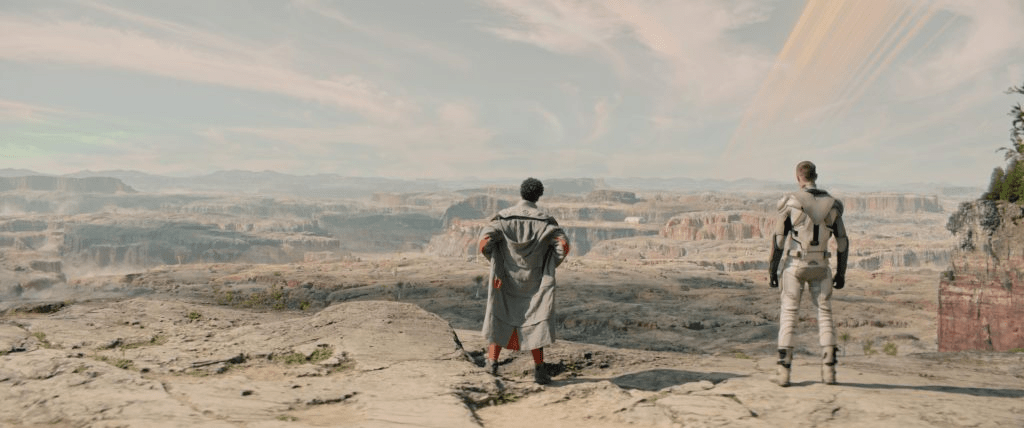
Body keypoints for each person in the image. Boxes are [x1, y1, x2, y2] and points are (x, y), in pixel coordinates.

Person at [478, 177, 570, 384]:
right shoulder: (546, 222)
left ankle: (492, 363)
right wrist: (548, 265)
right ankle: (539, 370)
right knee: (535, 321)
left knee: (500, 315)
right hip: (536, 282)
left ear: (521, 193)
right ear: (539, 196)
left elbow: (484, 242)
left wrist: (497, 262)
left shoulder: (503, 218)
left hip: (505, 280)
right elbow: (563, 246)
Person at [768, 161, 849, 386]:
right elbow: (843, 243)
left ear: (798, 177)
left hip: (795, 266)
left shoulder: (790, 203)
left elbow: (778, 241)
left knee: (789, 313)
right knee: (825, 313)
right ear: (816, 176)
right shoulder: (833, 205)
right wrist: (841, 273)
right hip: (821, 266)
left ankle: (784, 371)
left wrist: (772, 270)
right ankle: (829, 370)